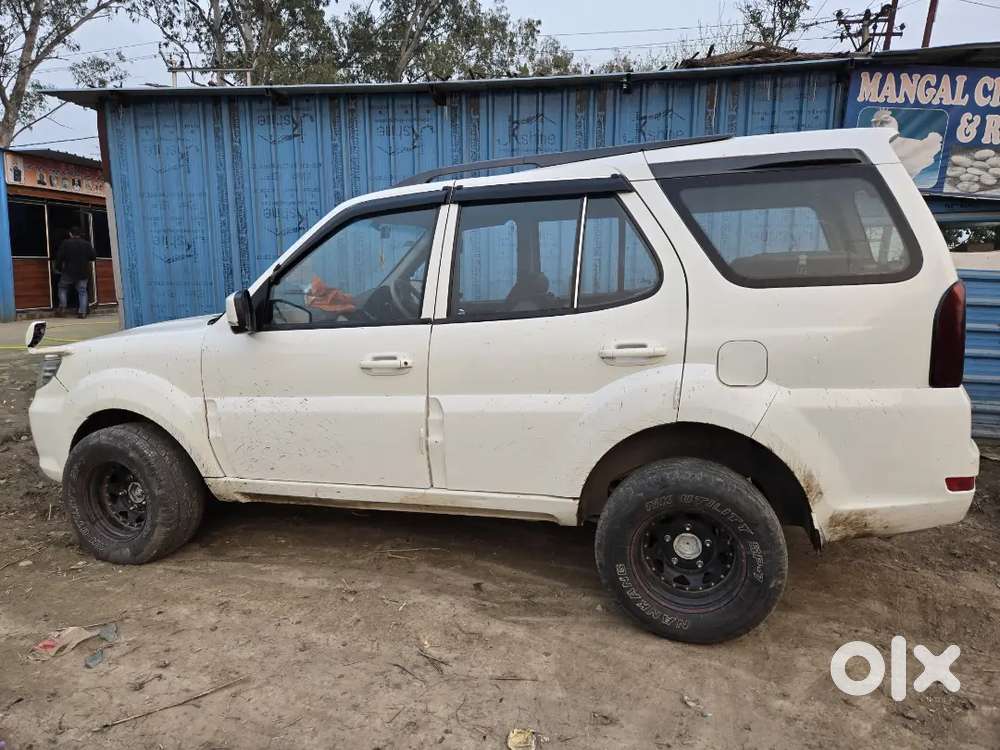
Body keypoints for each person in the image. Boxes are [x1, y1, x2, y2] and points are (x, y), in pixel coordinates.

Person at [54, 227, 96, 318]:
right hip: (83, 272)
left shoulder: (66, 243)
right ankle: (82, 312)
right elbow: (93, 257)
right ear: (80, 234)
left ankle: (62, 308)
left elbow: (60, 257)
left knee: (63, 288)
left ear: (70, 234)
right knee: (82, 291)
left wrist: (57, 268)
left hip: (68, 271)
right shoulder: (87, 244)